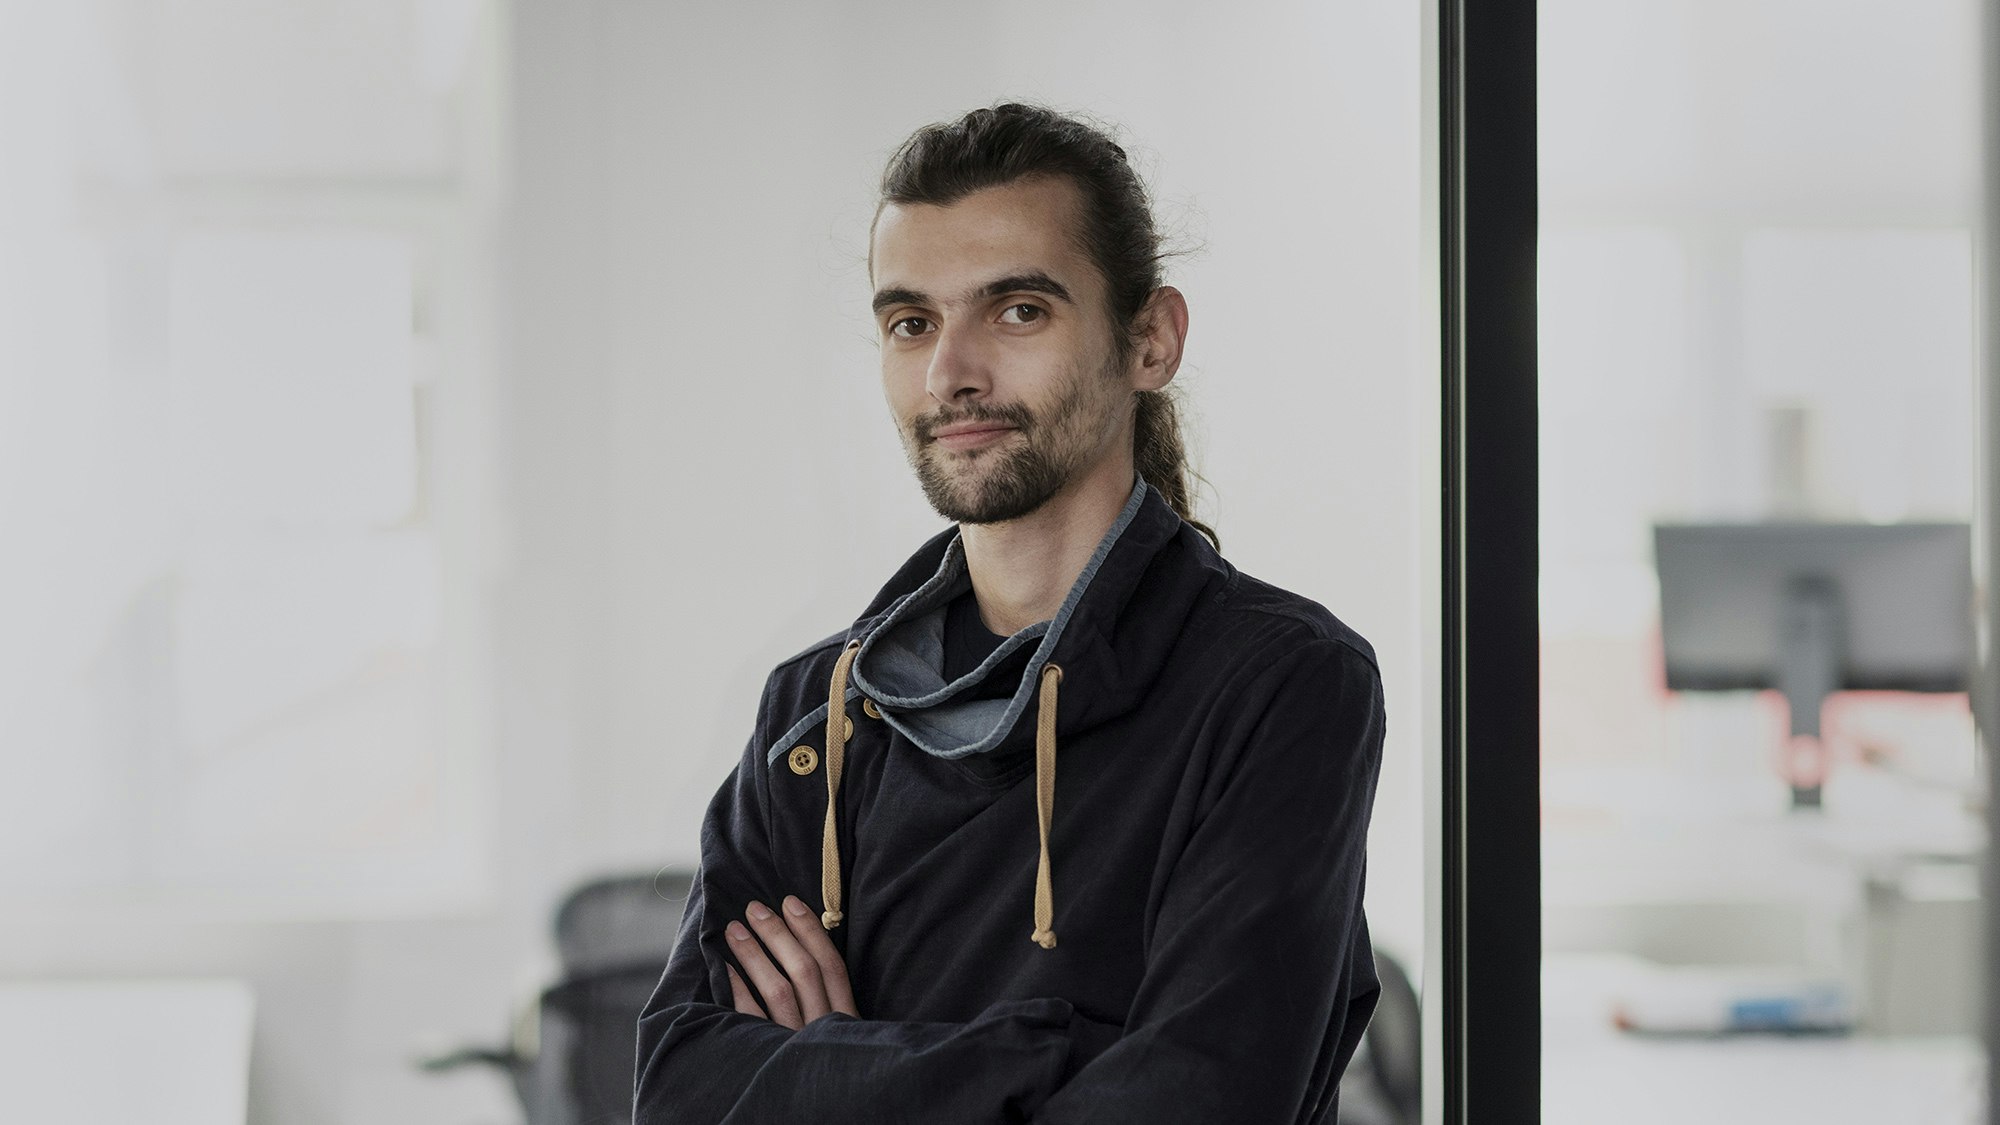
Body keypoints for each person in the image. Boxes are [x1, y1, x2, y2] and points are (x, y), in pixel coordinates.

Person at [634, 102, 1384, 1124]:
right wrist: (1049, 1052)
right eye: (910, 323)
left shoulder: (1281, 686)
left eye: (1017, 310)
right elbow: (679, 1090)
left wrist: (830, 1070)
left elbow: (1201, 1101)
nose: (951, 374)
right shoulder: (815, 712)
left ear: (1149, 341)